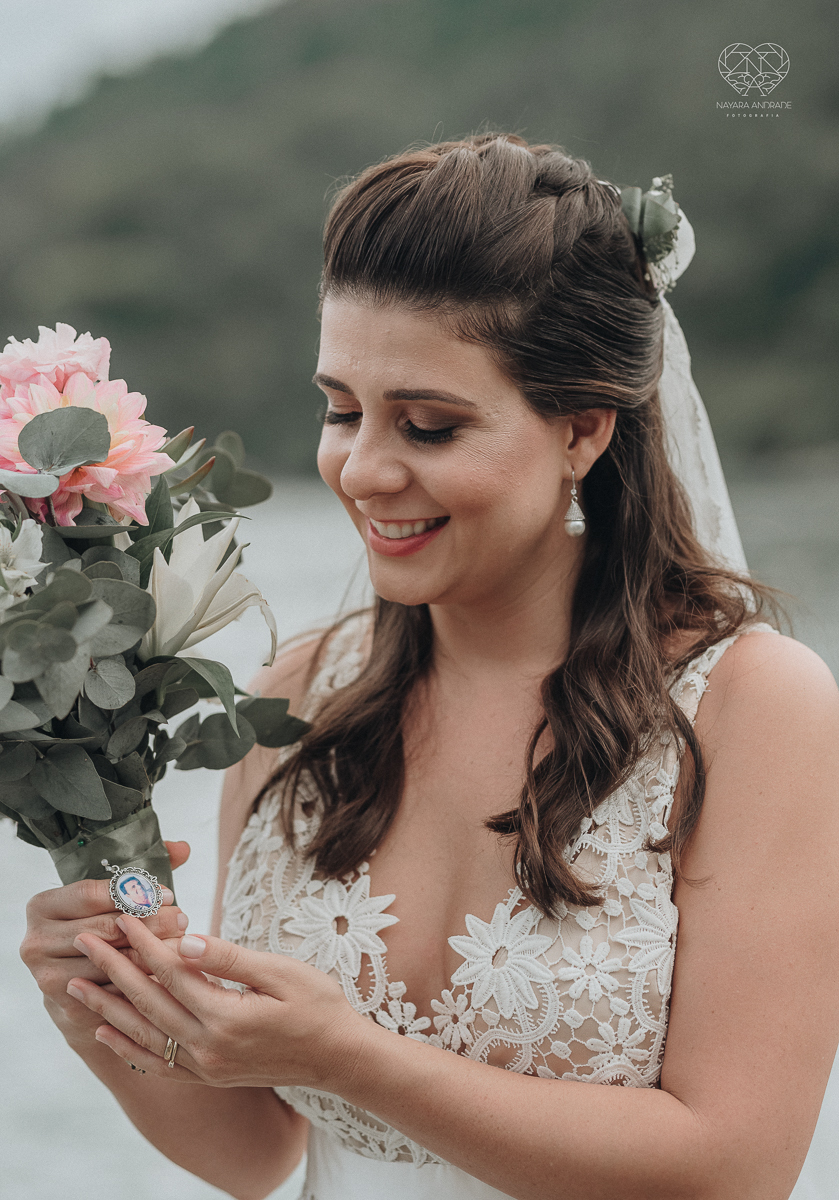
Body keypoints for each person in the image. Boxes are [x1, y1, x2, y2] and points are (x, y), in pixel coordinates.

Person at [20, 133, 839, 1200]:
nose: (362, 469)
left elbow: (735, 1169)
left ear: (581, 431)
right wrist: (102, 1008)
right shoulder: (294, 697)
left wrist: (350, 1057)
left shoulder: (752, 707)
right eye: (341, 409)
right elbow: (258, 1149)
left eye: (429, 425)